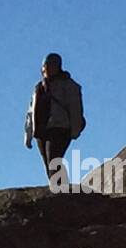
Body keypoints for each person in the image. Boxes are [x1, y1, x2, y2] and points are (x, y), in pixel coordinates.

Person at [24, 53, 86, 185]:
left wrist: (75, 130)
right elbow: (31, 112)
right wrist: (28, 135)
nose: (46, 68)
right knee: (48, 163)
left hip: (60, 127)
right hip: (41, 131)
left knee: (54, 159)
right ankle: (61, 190)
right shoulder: (38, 88)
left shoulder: (68, 85)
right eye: (45, 66)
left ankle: (61, 192)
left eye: (49, 65)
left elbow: (75, 108)